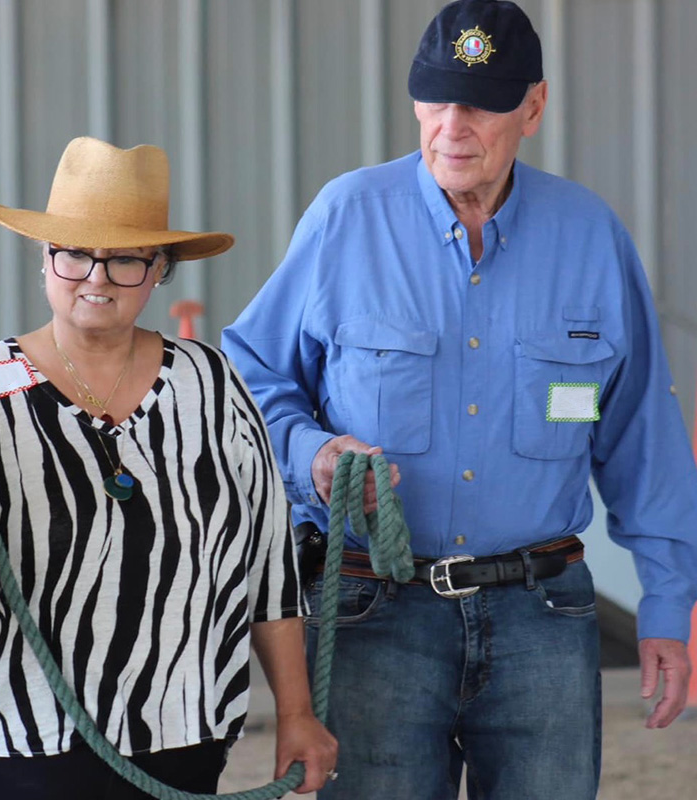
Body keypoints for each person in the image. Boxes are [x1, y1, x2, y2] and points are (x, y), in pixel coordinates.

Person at [222, 1, 697, 798]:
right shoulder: (347, 217)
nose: (452, 126)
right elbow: (246, 381)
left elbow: (642, 432)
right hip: (374, 610)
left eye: (480, 104)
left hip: (544, 617)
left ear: (533, 107)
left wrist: (666, 607)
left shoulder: (590, 237)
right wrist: (315, 453)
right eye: (436, 99)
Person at [0, 136, 337, 799]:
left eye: (127, 261)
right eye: (75, 254)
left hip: (181, 740)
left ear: (160, 269)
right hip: (8, 741)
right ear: (44, 262)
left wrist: (296, 713)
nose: (97, 279)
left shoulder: (212, 384)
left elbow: (267, 567)